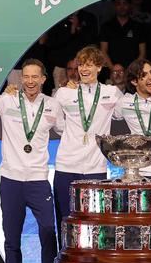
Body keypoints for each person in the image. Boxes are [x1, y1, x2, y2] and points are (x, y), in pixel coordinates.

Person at [0, 56, 62, 263]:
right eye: (26, 76)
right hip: (11, 180)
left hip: (38, 180)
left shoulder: (54, 105)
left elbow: (66, 130)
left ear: (43, 79)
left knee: (47, 232)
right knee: (12, 235)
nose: (30, 81)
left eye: (35, 76)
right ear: (20, 79)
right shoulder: (8, 100)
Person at [52, 46, 123, 245]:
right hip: (66, 166)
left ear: (99, 67)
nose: (84, 69)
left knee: (95, 223)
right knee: (65, 222)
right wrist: (72, 135)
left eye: (89, 65)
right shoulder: (64, 93)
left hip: (95, 169)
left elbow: (126, 111)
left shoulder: (111, 92)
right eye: (81, 64)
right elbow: (58, 125)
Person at [99, 0, 147, 68]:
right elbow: (103, 51)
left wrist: (132, 70)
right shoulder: (106, 26)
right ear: (114, 6)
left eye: (125, 3)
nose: (122, 7)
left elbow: (142, 53)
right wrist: (114, 70)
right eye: (118, 4)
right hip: (111, 73)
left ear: (129, 5)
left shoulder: (138, 27)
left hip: (133, 73)